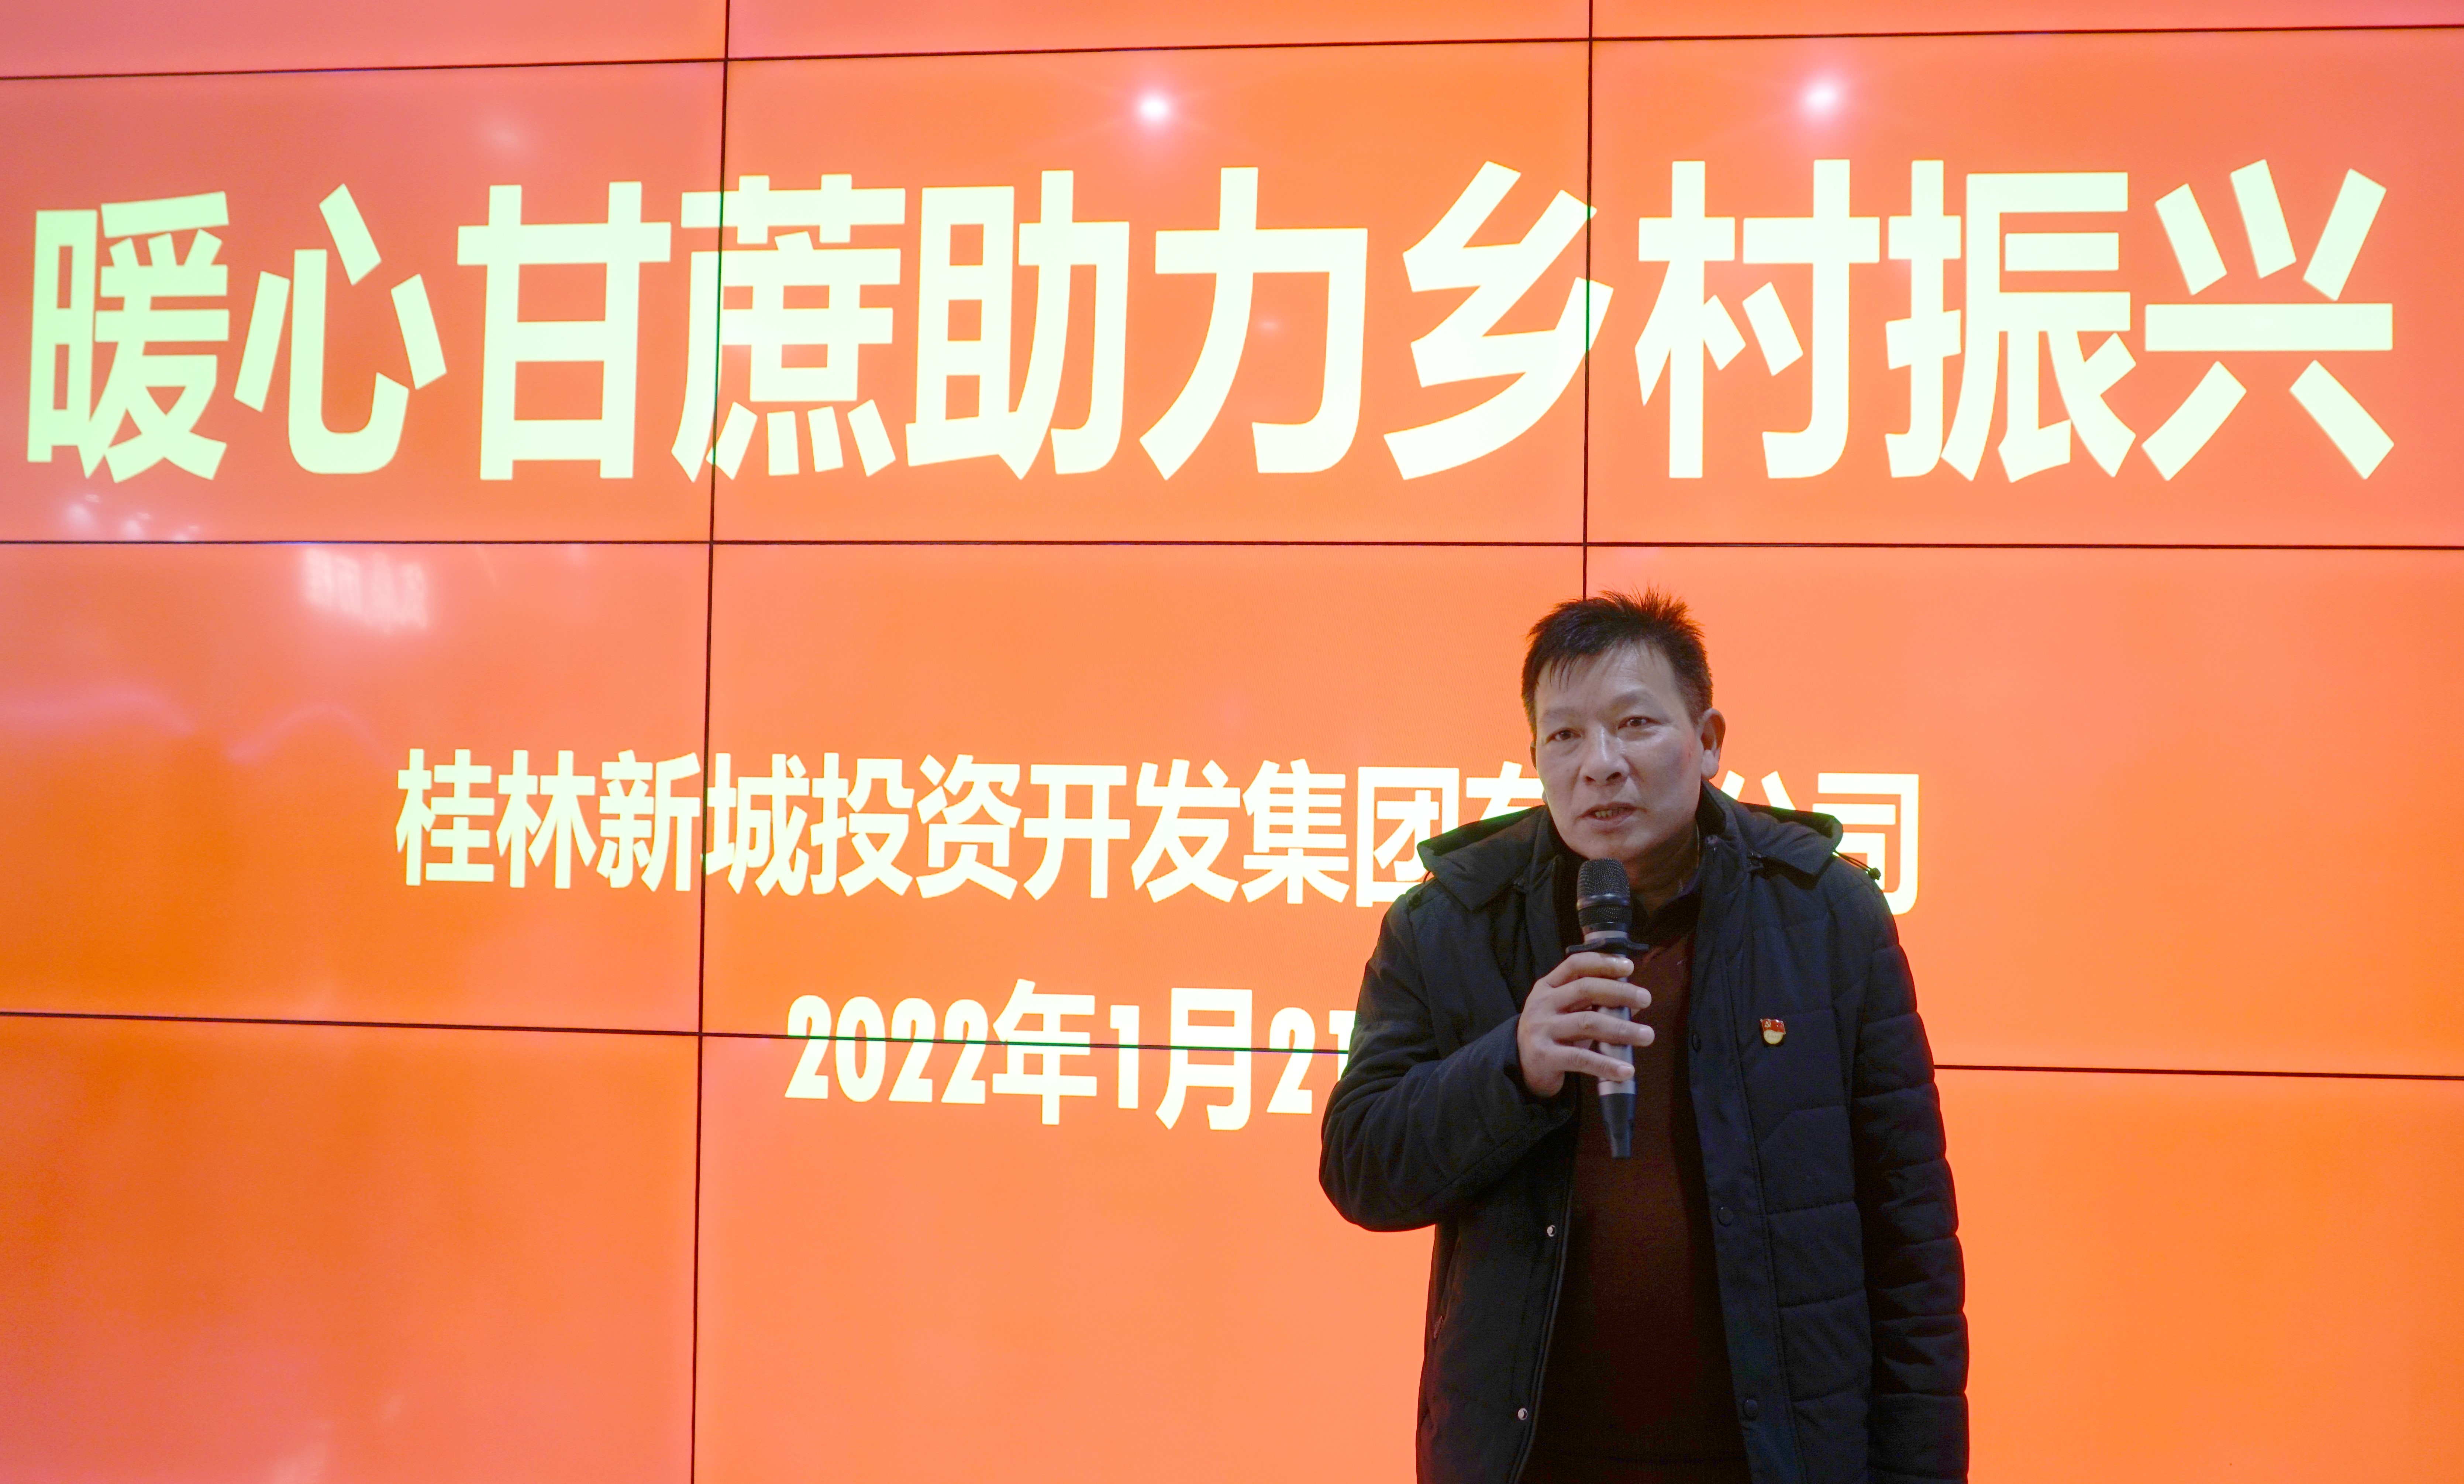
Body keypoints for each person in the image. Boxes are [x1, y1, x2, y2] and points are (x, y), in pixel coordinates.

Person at [1320, 591, 1966, 1484]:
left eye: (1634, 724)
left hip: (1773, 1454)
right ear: (1535, 759)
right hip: (1529, 1458)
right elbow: (1361, 1165)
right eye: (1565, 735)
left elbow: (1911, 1241)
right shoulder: (1453, 921)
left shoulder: (1827, 915)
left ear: (1708, 739)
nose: (1601, 765)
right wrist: (1513, 1065)